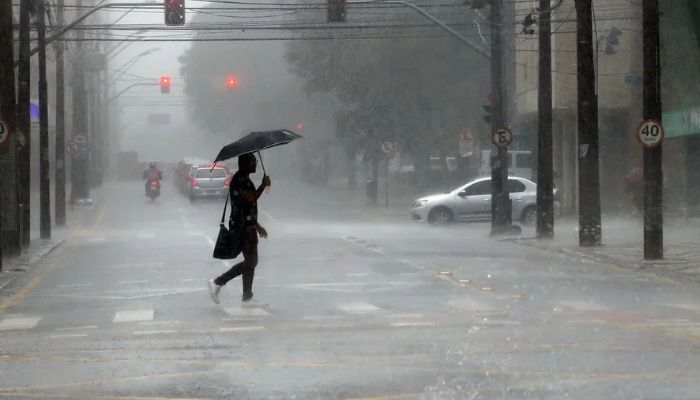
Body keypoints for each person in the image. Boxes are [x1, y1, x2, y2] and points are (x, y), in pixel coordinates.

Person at [208, 153, 271, 307]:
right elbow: (250, 198)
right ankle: (218, 282)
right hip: (242, 227)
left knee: (251, 261)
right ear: (245, 163)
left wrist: (257, 225)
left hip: (248, 226)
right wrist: (263, 185)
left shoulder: (244, 179)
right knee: (252, 261)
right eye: (253, 161)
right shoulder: (238, 180)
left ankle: (247, 297)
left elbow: (247, 207)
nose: (255, 164)